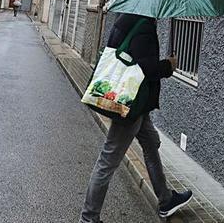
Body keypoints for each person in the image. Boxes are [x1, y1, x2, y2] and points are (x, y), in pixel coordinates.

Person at [80, 13, 193, 223]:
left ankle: (166, 199)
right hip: (131, 106)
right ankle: (88, 218)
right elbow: (145, 69)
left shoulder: (124, 19)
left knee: (151, 142)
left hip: (137, 105)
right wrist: (169, 65)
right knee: (108, 160)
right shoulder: (143, 27)